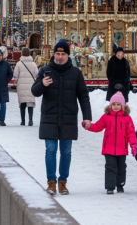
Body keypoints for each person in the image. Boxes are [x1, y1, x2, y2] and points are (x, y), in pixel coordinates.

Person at [31, 40, 92, 195]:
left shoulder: (75, 73)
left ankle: (62, 182)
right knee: (50, 150)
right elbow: (35, 91)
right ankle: (51, 182)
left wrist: (87, 117)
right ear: (54, 54)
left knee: (66, 151)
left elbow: (83, 96)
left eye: (63, 54)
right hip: (49, 118)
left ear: (68, 55)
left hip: (68, 118)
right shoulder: (45, 70)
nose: (59, 57)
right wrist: (42, 84)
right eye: (57, 54)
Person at [86, 92, 137, 195]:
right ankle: (110, 187)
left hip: (122, 148)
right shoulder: (106, 117)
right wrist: (88, 126)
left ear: (123, 106)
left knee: (121, 167)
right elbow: (98, 126)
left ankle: (120, 185)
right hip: (108, 148)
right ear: (110, 105)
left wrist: (133, 145)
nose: (115, 106)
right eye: (113, 104)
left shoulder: (127, 118)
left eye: (118, 104)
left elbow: (131, 133)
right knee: (110, 167)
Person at [13, 47, 38, 126]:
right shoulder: (33, 64)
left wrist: (16, 81)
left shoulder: (19, 64)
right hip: (31, 86)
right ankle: (30, 120)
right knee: (30, 102)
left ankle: (23, 121)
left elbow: (15, 75)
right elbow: (37, 74)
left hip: (21, 85)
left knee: (22, 103)